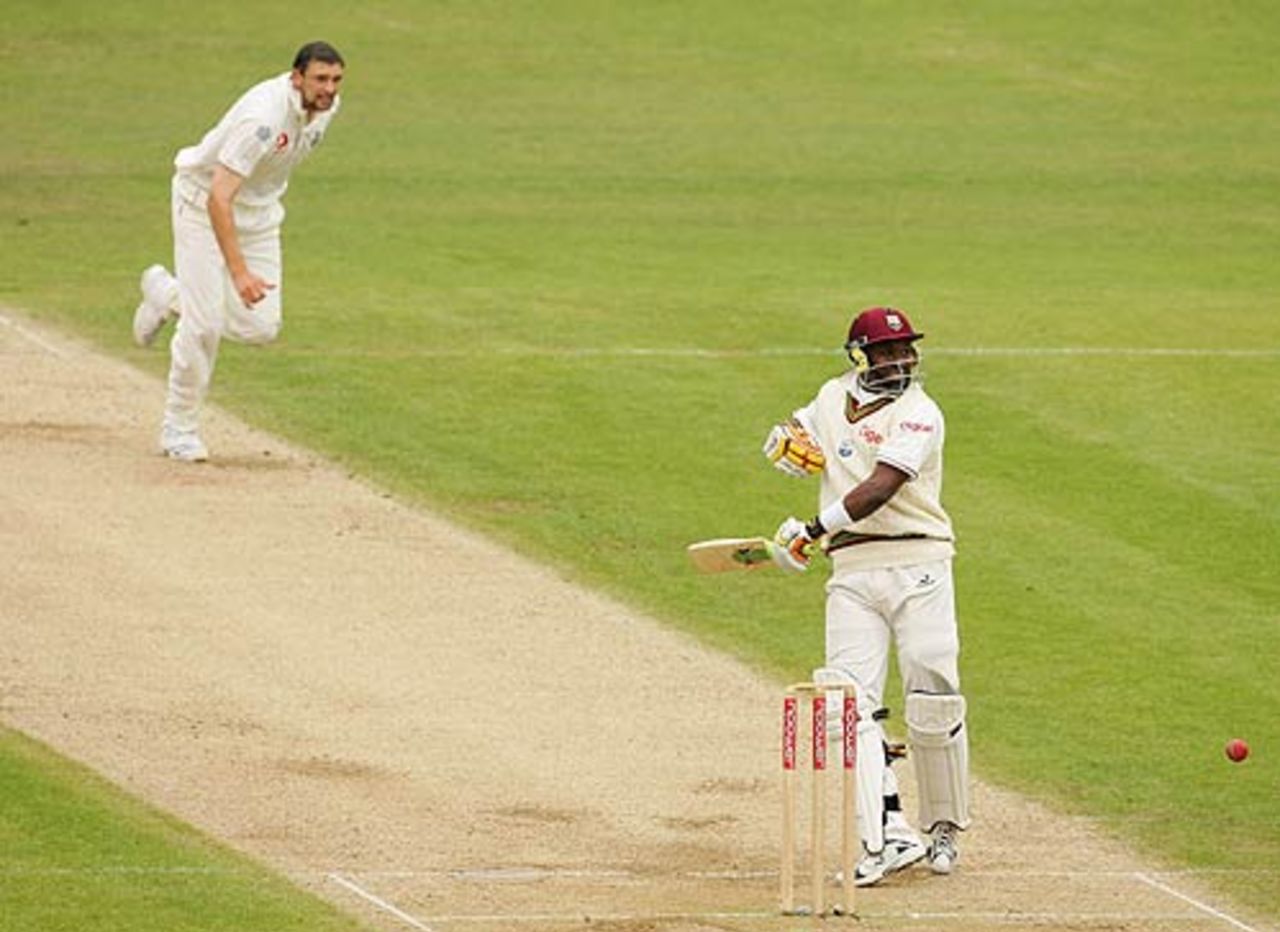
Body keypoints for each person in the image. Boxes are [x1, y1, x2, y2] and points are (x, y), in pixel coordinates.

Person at [762, 305, 970, 885]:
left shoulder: (921, 413)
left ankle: (944, 828)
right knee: (845, 706)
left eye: (906, 351)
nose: (901, 361)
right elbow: (799, 429)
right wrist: (782, 440)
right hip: (853, 569)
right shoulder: (832, 395)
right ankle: (888, 838)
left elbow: (880, 487)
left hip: (919, 562)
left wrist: (808, 530)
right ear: (861, 356)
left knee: (933, 701)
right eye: (886, 352)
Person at [132, 41, 346, 461]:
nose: (329, 88)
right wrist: (239, 272)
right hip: (201, 204)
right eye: (320, 79)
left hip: (260, 216)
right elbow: (219, 196)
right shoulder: (262, 119)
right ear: (296, 77)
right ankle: (179, 429)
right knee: (204, 326)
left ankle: (167, 295)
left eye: (336, 79)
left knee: (260, 328)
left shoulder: (326, 108)